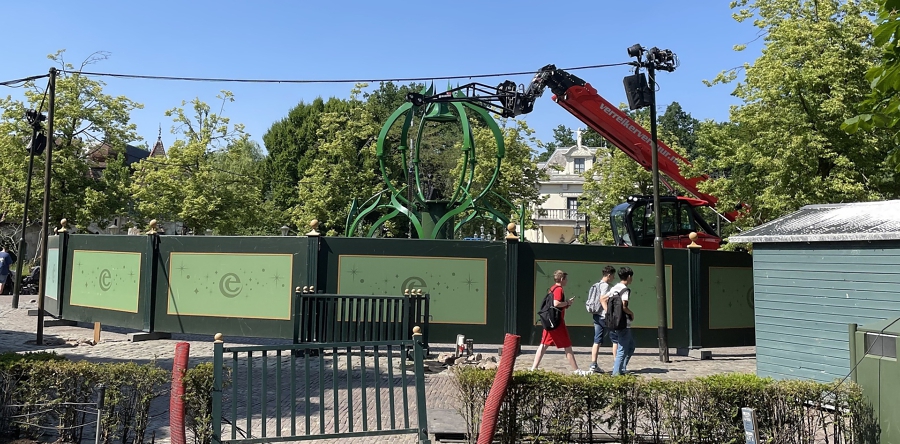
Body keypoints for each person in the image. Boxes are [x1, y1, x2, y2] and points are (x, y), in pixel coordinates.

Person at [531, 270, 589, 375]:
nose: (567, 281)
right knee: (567, 345)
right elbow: (556, 303)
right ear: (562, 279)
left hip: (550, 321)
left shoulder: (552, 288)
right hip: (557, 323)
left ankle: (533, 368)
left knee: (543, 344)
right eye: (566, 279)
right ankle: (577, 370)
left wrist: (566, 304)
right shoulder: (559, 290)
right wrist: (567, 302)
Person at [588, 265, 618, 373]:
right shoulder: (605, 286)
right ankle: (617, 365)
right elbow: (603, 299)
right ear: (609, 275)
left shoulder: (597, 284)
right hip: (604, 316)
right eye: (613, 276)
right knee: (615, 339)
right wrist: (608, 313)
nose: (613, 278)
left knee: (597, 340)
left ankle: (593, 364)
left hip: (596, 315)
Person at [607, 267, 635, 376]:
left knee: (631, 346)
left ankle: (621, 368)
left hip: (613, 321)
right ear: (629, 277)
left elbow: (604, 299)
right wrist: (631, 313)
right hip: (623, 322)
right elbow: (624, 306)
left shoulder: (614, 288)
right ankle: (616, 373)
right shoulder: (625, 290)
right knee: (622, 348)